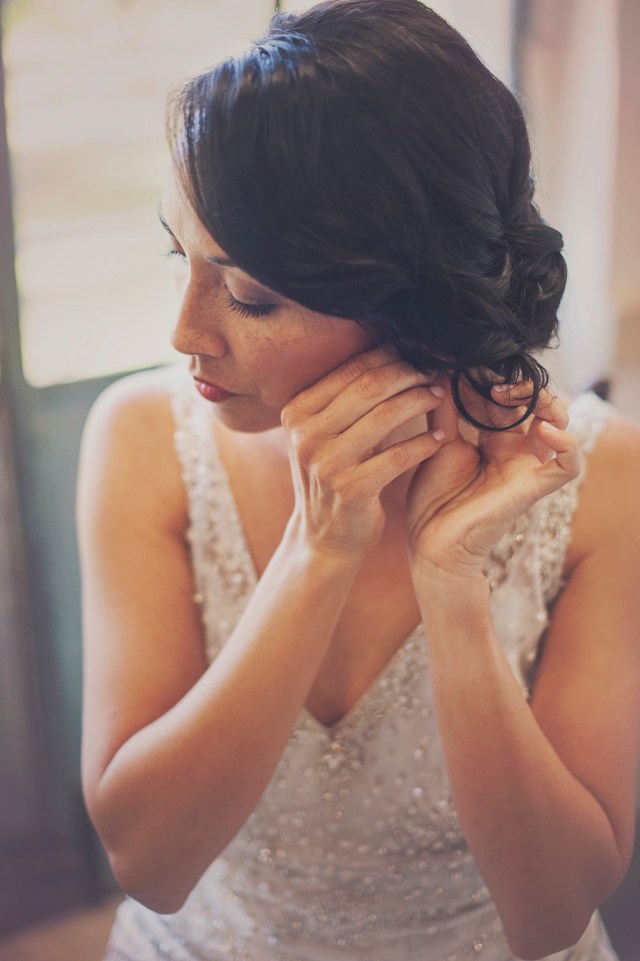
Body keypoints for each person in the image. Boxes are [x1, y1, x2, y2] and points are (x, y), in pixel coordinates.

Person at [77, 2, 640, 959]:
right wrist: (315, 551)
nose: (185, 332)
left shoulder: (607, 480)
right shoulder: (139, 437)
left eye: (251, 294)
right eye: (183, 257)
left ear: (412, 296)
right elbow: (150, 862)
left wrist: (452, 583)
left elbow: (549, 914)